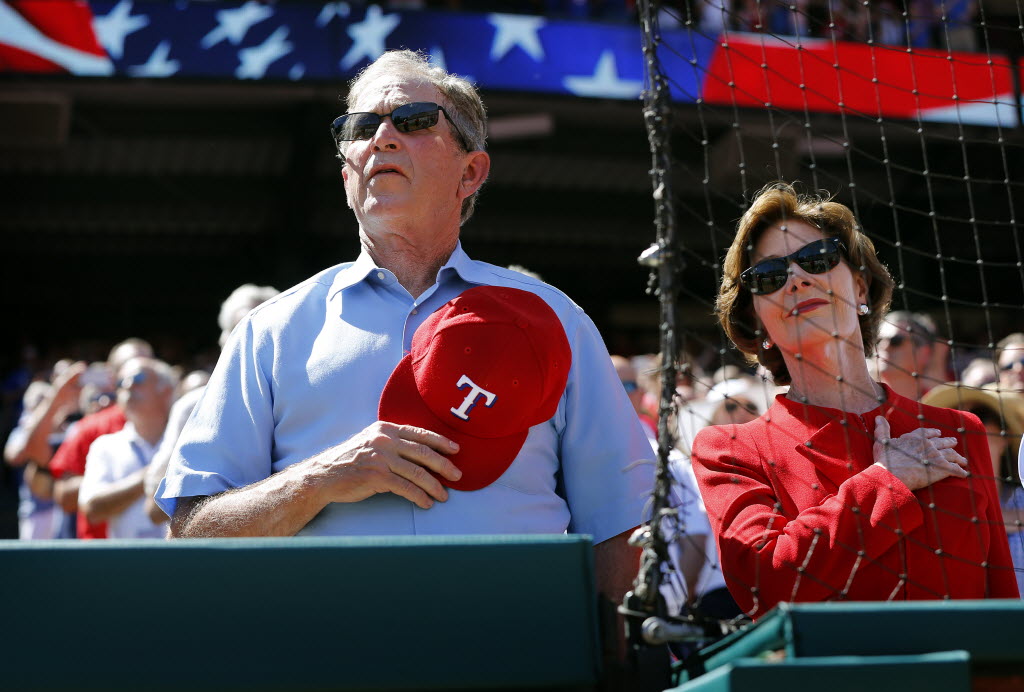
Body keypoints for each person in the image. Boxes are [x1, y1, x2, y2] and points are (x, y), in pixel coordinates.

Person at [157, 51, 652, 610]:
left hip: (516, 651)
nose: (382, 138)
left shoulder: (555, 321)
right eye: (362, 127)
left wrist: (615, 666)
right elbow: (190, 532)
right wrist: (319, 479)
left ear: (471, 173)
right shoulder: (270, 332)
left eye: (413, 120)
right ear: (348, 177)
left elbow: (621, 519)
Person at [690, 182, 1017, 620]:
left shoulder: (961, 431)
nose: (796, 279)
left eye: (816, 259)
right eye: (768, 276)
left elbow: (1000, 605)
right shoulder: (730, 449)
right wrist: (887, 480)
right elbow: (764, 582)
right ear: (756, 318)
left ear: (860, 288)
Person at [921, 383, 1024, 596]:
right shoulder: (930, 502)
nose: (964, 426)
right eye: (954, 418)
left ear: (1004, 435)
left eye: (979, 415)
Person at [46, 338, 154, 539]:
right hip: (101, 555)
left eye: (147, 369)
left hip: (165, 552)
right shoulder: (90, 427)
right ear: (114, 378)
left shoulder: (179, 423)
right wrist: (122, 480)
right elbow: (63, 496)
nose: (138, 376)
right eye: (129, 371)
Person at [78, 357, 177, 539]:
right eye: (121, 382)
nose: (128, 386)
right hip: (126, 564)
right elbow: (91, 509)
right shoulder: (105, 446)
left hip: (182, 562)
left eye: (138, 379)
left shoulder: (186, 441)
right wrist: (150, 476)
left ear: (166, 390)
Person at [874, 310, 945, 401]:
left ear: (924, 352)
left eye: (896, 341)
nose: (884, 346)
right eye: (878, 341)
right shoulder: (856, 402)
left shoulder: (943, 404)